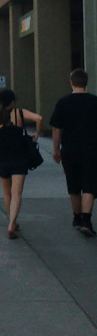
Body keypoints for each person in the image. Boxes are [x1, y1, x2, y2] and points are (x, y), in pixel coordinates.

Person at [0, 89, 43, 239]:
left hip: (1, 157)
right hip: (19, 157)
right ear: (12, 101)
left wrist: (0, 139)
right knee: (16, 192)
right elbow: (39, 118)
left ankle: (12, 221)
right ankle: (12, 223)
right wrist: (36, 134)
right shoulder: (20, 113)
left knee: (7, 192)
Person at [50, 68, 97, 237]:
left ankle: (76, 217)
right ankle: (86, 219)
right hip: (91, 150)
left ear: (71, 82)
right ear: (86, 82)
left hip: (69, 150)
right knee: (90, 185)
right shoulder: (94, 102)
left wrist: (56, 149)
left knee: (74, 185)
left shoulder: (63, 102)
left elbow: (56, 128)